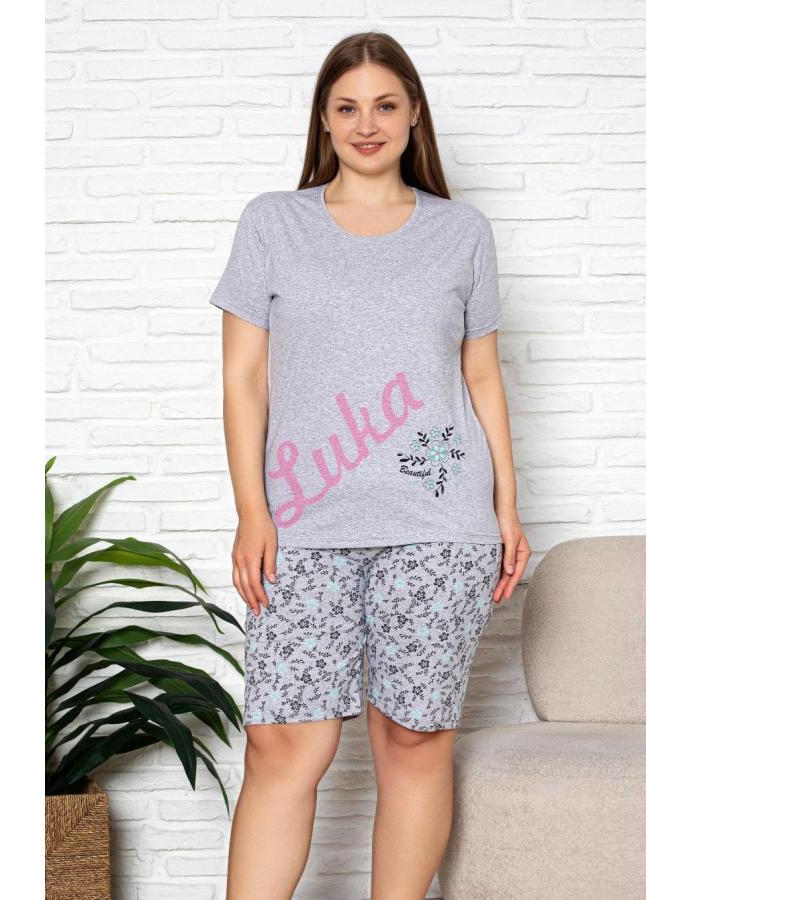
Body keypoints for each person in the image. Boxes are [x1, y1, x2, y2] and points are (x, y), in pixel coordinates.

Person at [209, 31, 531, 900]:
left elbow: (481, 375)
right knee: (283, 742)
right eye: (347, 107)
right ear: (323, 118)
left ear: (414, 113)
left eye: (385, 105)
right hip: (303, 524)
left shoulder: (461, 232)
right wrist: (253, 512)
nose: (366, 124)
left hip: (440, 525)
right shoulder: (273, 223)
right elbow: (243, 379)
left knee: (414, 739)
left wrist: (506, 506)